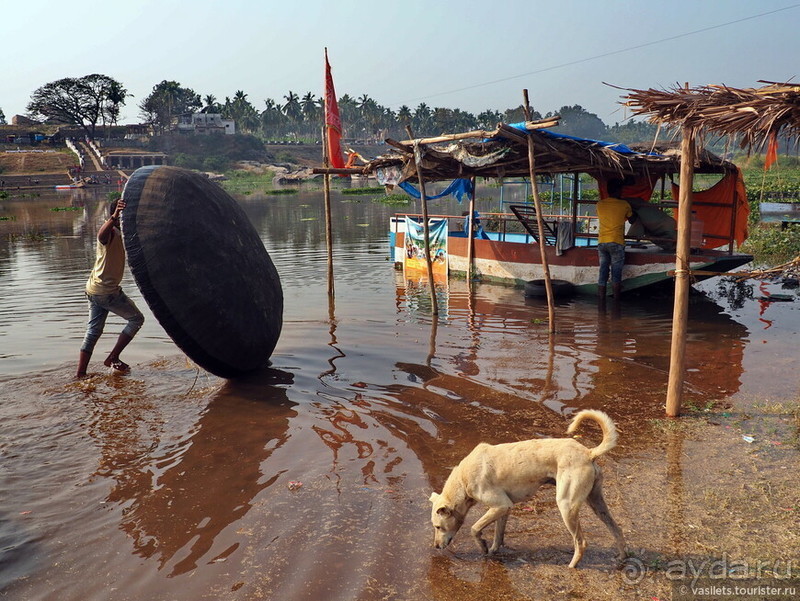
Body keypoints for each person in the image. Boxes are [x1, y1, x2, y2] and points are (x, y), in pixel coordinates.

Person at [75, 198, 144, 378]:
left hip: (94, 288)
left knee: (93, 331)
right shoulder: (112, 231)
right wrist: (114, 217)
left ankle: (81, 374)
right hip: (106, 292)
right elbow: (101, 235)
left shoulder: (123, 234)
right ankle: (113, 357)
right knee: (136, 319)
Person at [596, 178, 633, 300]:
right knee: (616, 274)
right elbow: (632, 219)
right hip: (616, 241)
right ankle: (617, 303)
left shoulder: (600, 204)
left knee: (603, 272)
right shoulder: (624, 204)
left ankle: (601, 300)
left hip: (602, 242)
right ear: (619, 191)